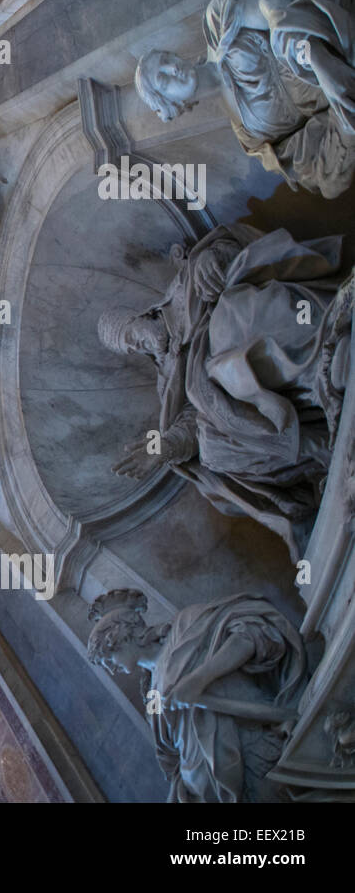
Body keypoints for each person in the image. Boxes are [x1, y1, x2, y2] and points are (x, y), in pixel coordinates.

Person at [99, 223, 350, 558]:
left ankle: (324, 360)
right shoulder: (167, 379)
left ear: (141, 315)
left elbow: (233, 250)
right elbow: (190, 424)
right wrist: (165, 445)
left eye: (130, 333)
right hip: (237, 399)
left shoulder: (182, 288)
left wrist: (211, 259)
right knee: (213, 450)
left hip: (240, 325)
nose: (137, 343)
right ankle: (320, 446)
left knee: (225, 328)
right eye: (130, 346)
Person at [135, 0, 355, 198]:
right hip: (337, 98)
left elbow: (267, 5)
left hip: (317, 28)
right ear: (172, 104)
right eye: (163, 80)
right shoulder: (248, 134)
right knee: (328, 179)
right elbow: (304, 155)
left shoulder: (218, 22)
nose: (173, 70)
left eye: (166, 60)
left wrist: (296, 45)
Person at [87, 588, 306, 802]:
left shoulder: (185, 627)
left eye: (108, 658)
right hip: (207, 792)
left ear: (123, 637)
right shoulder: (151, 695)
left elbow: (253, 632)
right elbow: (170, 756)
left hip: (253, 756)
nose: (111, 669)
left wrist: (198, 680)